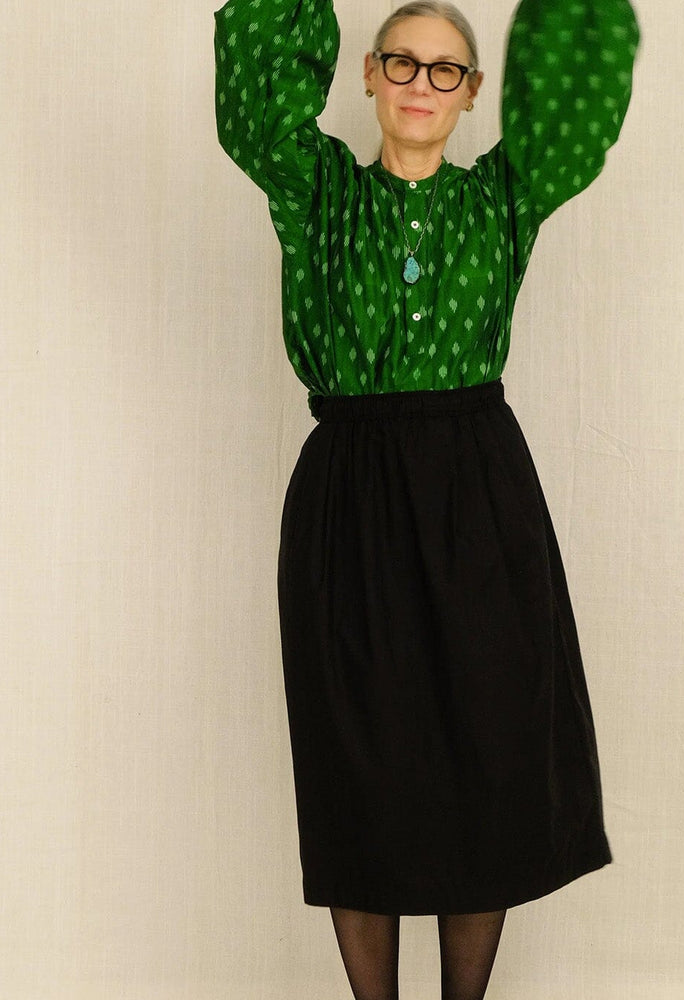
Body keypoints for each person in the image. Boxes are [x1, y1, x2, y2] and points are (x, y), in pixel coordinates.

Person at [214, 0, 639, 996]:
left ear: (473, 94)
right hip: (347, 500)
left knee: (485, 759)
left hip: (479, 501)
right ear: (365, 75)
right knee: (358, 764)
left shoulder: (504, 195)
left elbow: (577, 95)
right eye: (401, 62)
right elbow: (255, 102)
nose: (420, 82)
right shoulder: (311, 189)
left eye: (446, 69)